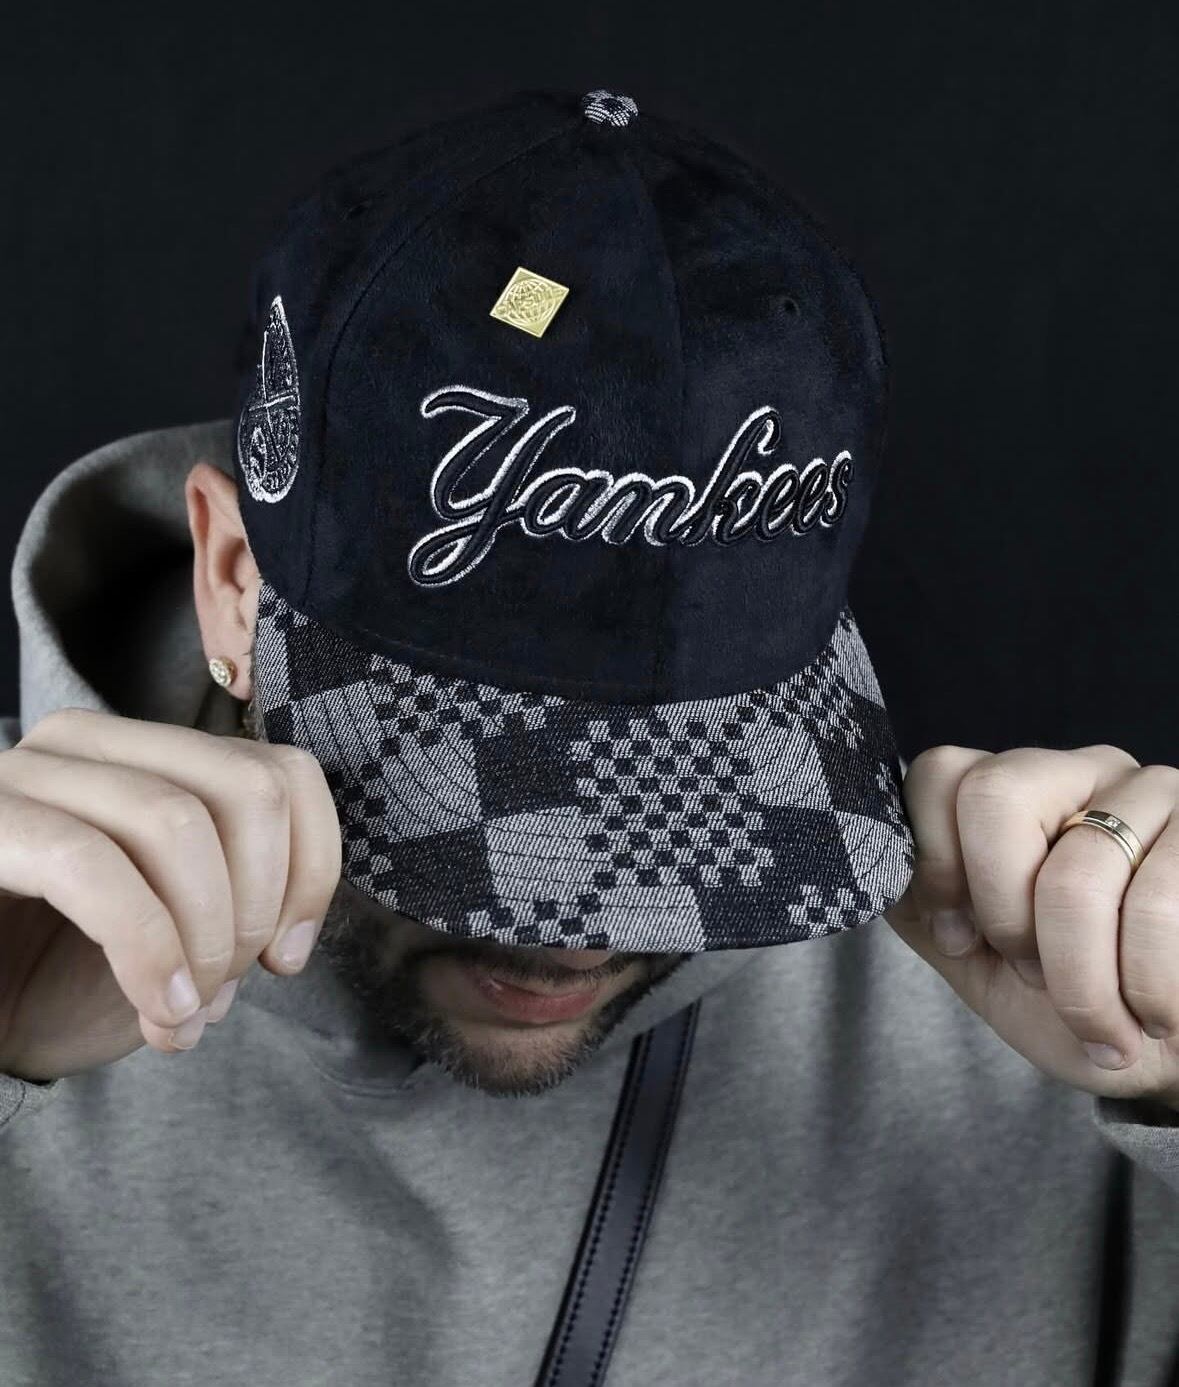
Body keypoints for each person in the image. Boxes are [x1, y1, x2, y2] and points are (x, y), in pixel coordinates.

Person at [1, 87, 1177, 1387]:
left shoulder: (1028, 1024)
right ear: (234, 577)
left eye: (696, 788)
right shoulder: (15, 939)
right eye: (486, 763)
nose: (580, 934)